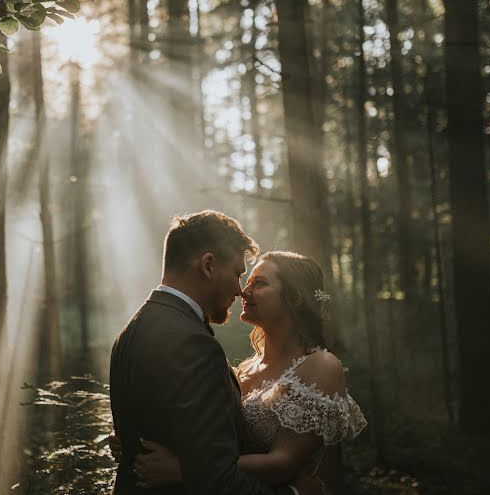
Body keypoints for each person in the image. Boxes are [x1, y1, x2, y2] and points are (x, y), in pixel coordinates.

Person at [127, 250, 367, 494]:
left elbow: (282, 464)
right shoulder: (244, 368)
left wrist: (182, 469)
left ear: (294, 297)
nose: (243, 291)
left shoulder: (321, 366)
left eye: (259, 283)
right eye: (248, 281)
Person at [109, 210, 307, 495]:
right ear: (209, 265)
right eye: (238, 273)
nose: (240, 291)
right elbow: (218, 480)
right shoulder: (192, 343)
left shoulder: (132, 330)